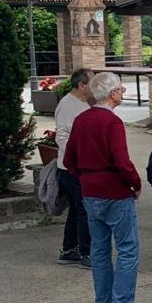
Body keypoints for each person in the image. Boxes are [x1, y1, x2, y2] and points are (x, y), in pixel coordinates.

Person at [62, 72, 151, 303]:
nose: (122, 93)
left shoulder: (82, 120)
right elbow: (122, 161)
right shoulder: (112, 123)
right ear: (112, 93)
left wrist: (85, 177)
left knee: (100, 250)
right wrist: (135, 183)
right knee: (127, 248)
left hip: (91, 190)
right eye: (121, 90)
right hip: (115, 190)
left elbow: (70, 160)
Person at [54, 68, 94, 268]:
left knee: (76, 211)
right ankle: (87, 253)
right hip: (72, 168)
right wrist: (77, 158)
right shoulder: (68, 105)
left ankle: (70, 249)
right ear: (82, 85)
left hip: (74, 166)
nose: (94, 86)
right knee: (84, 210)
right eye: (92, 82)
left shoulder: (82, 103)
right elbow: (61, 136)